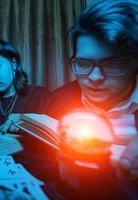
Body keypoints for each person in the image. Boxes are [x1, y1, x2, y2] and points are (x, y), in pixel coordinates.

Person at [48, 0, 138, 198]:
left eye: (113, 64)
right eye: (83, 63)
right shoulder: (57, 100)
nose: (95, 77)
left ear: (134, 63)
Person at [0, 39, 55, 179]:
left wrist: (27, 123)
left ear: (14, 63)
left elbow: (56, 148)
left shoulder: (40, 95)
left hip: (34, 176)